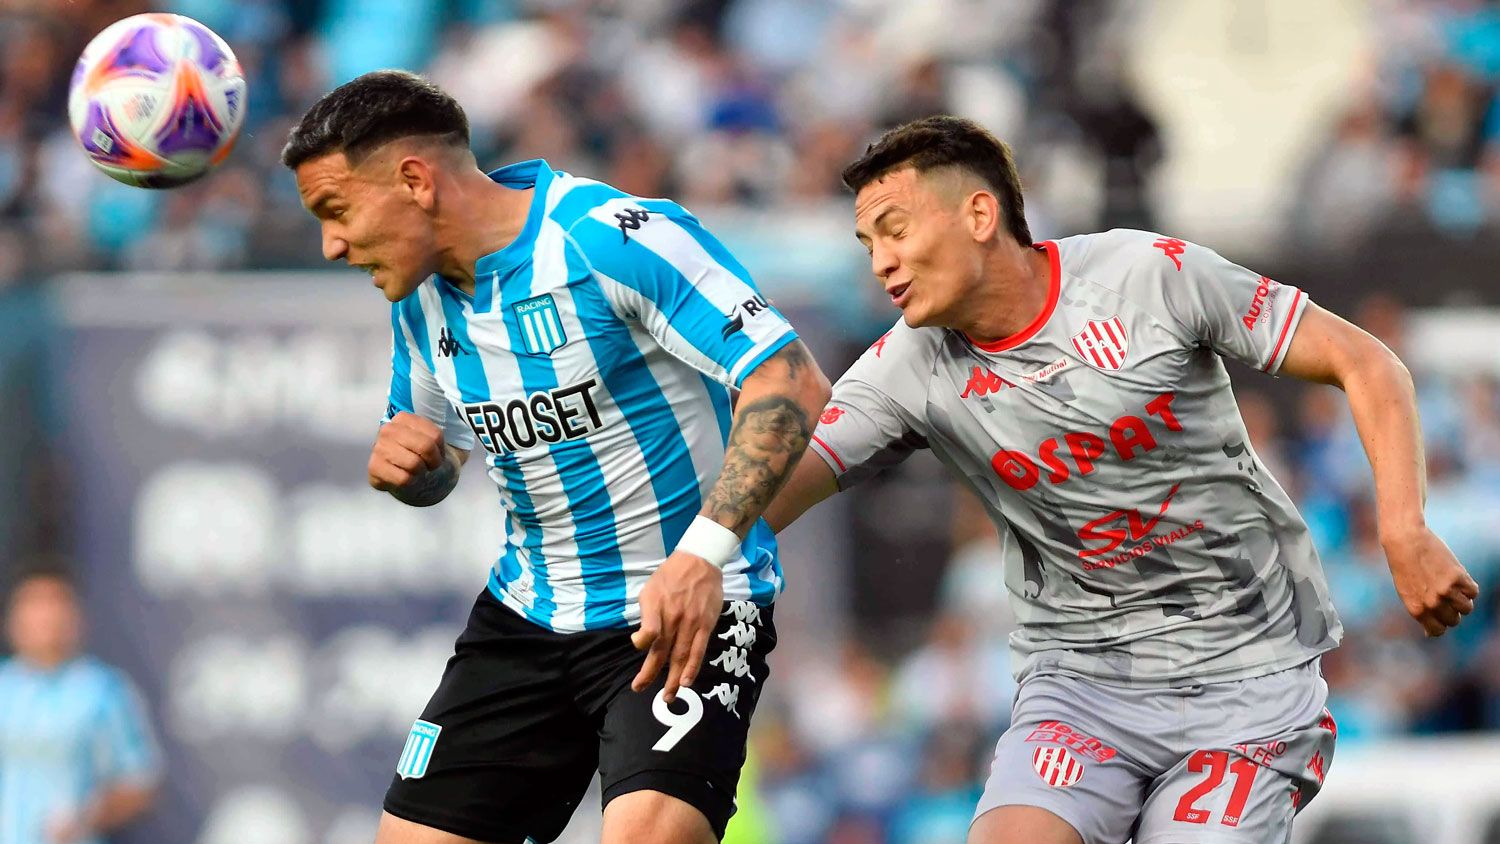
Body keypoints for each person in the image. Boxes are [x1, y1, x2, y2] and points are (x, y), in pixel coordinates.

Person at [762, 115, 1480, 844]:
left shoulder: (1146, 277)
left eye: (895, 230)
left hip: (1249, 679)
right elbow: (768, 495)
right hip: (1079, 688)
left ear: (979, 215)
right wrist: (701, 554)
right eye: (869, 244)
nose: (880, 262)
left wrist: (1403, 528)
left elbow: (1366, 361)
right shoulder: (904, 367)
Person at [281, 70, 829, 844]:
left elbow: (790, 380)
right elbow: (439, 459)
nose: (332, 245)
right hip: (526, 618)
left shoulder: (608, 238)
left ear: (415, 180)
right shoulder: (418, 299)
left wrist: (702, 556)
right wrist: (418, 473)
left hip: (677, 609)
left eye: (336, 212)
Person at [0, 569, 161, 844]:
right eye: (34, 605)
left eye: (56, 604)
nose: (46, 618)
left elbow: (140, 781)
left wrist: (85, 818)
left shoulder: (104, 691)